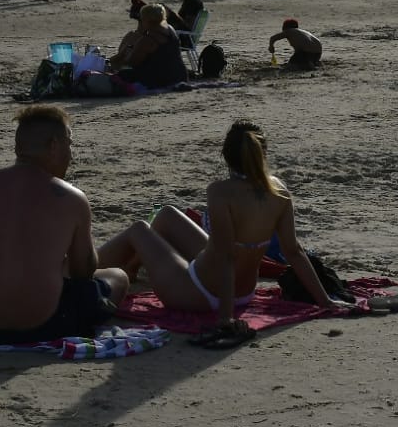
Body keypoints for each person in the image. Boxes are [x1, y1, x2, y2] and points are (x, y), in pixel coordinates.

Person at [96, 120, 352, 344]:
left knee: (139, 230)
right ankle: (130, 268)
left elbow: (227, 257)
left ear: (227, 157)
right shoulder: (278, 190)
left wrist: (225, 317)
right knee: (166, 215)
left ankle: (76, 270)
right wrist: (326, 301)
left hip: (200, 293)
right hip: (243, 291)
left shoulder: (220, 191)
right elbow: (293, 251)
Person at [0, 105, 127, 344]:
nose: (71, 154)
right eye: (69, 144)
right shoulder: (70, 197)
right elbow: (83, 272)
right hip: (48, 326)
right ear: (53, 145)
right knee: (118, 277)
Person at [114, 4, 187, 87]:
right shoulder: (170, 29)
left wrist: (128, 47)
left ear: (146, 20)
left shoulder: (149, 40)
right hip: (179, 75)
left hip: (160, 79)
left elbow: (132, 62)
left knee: (122, 74)